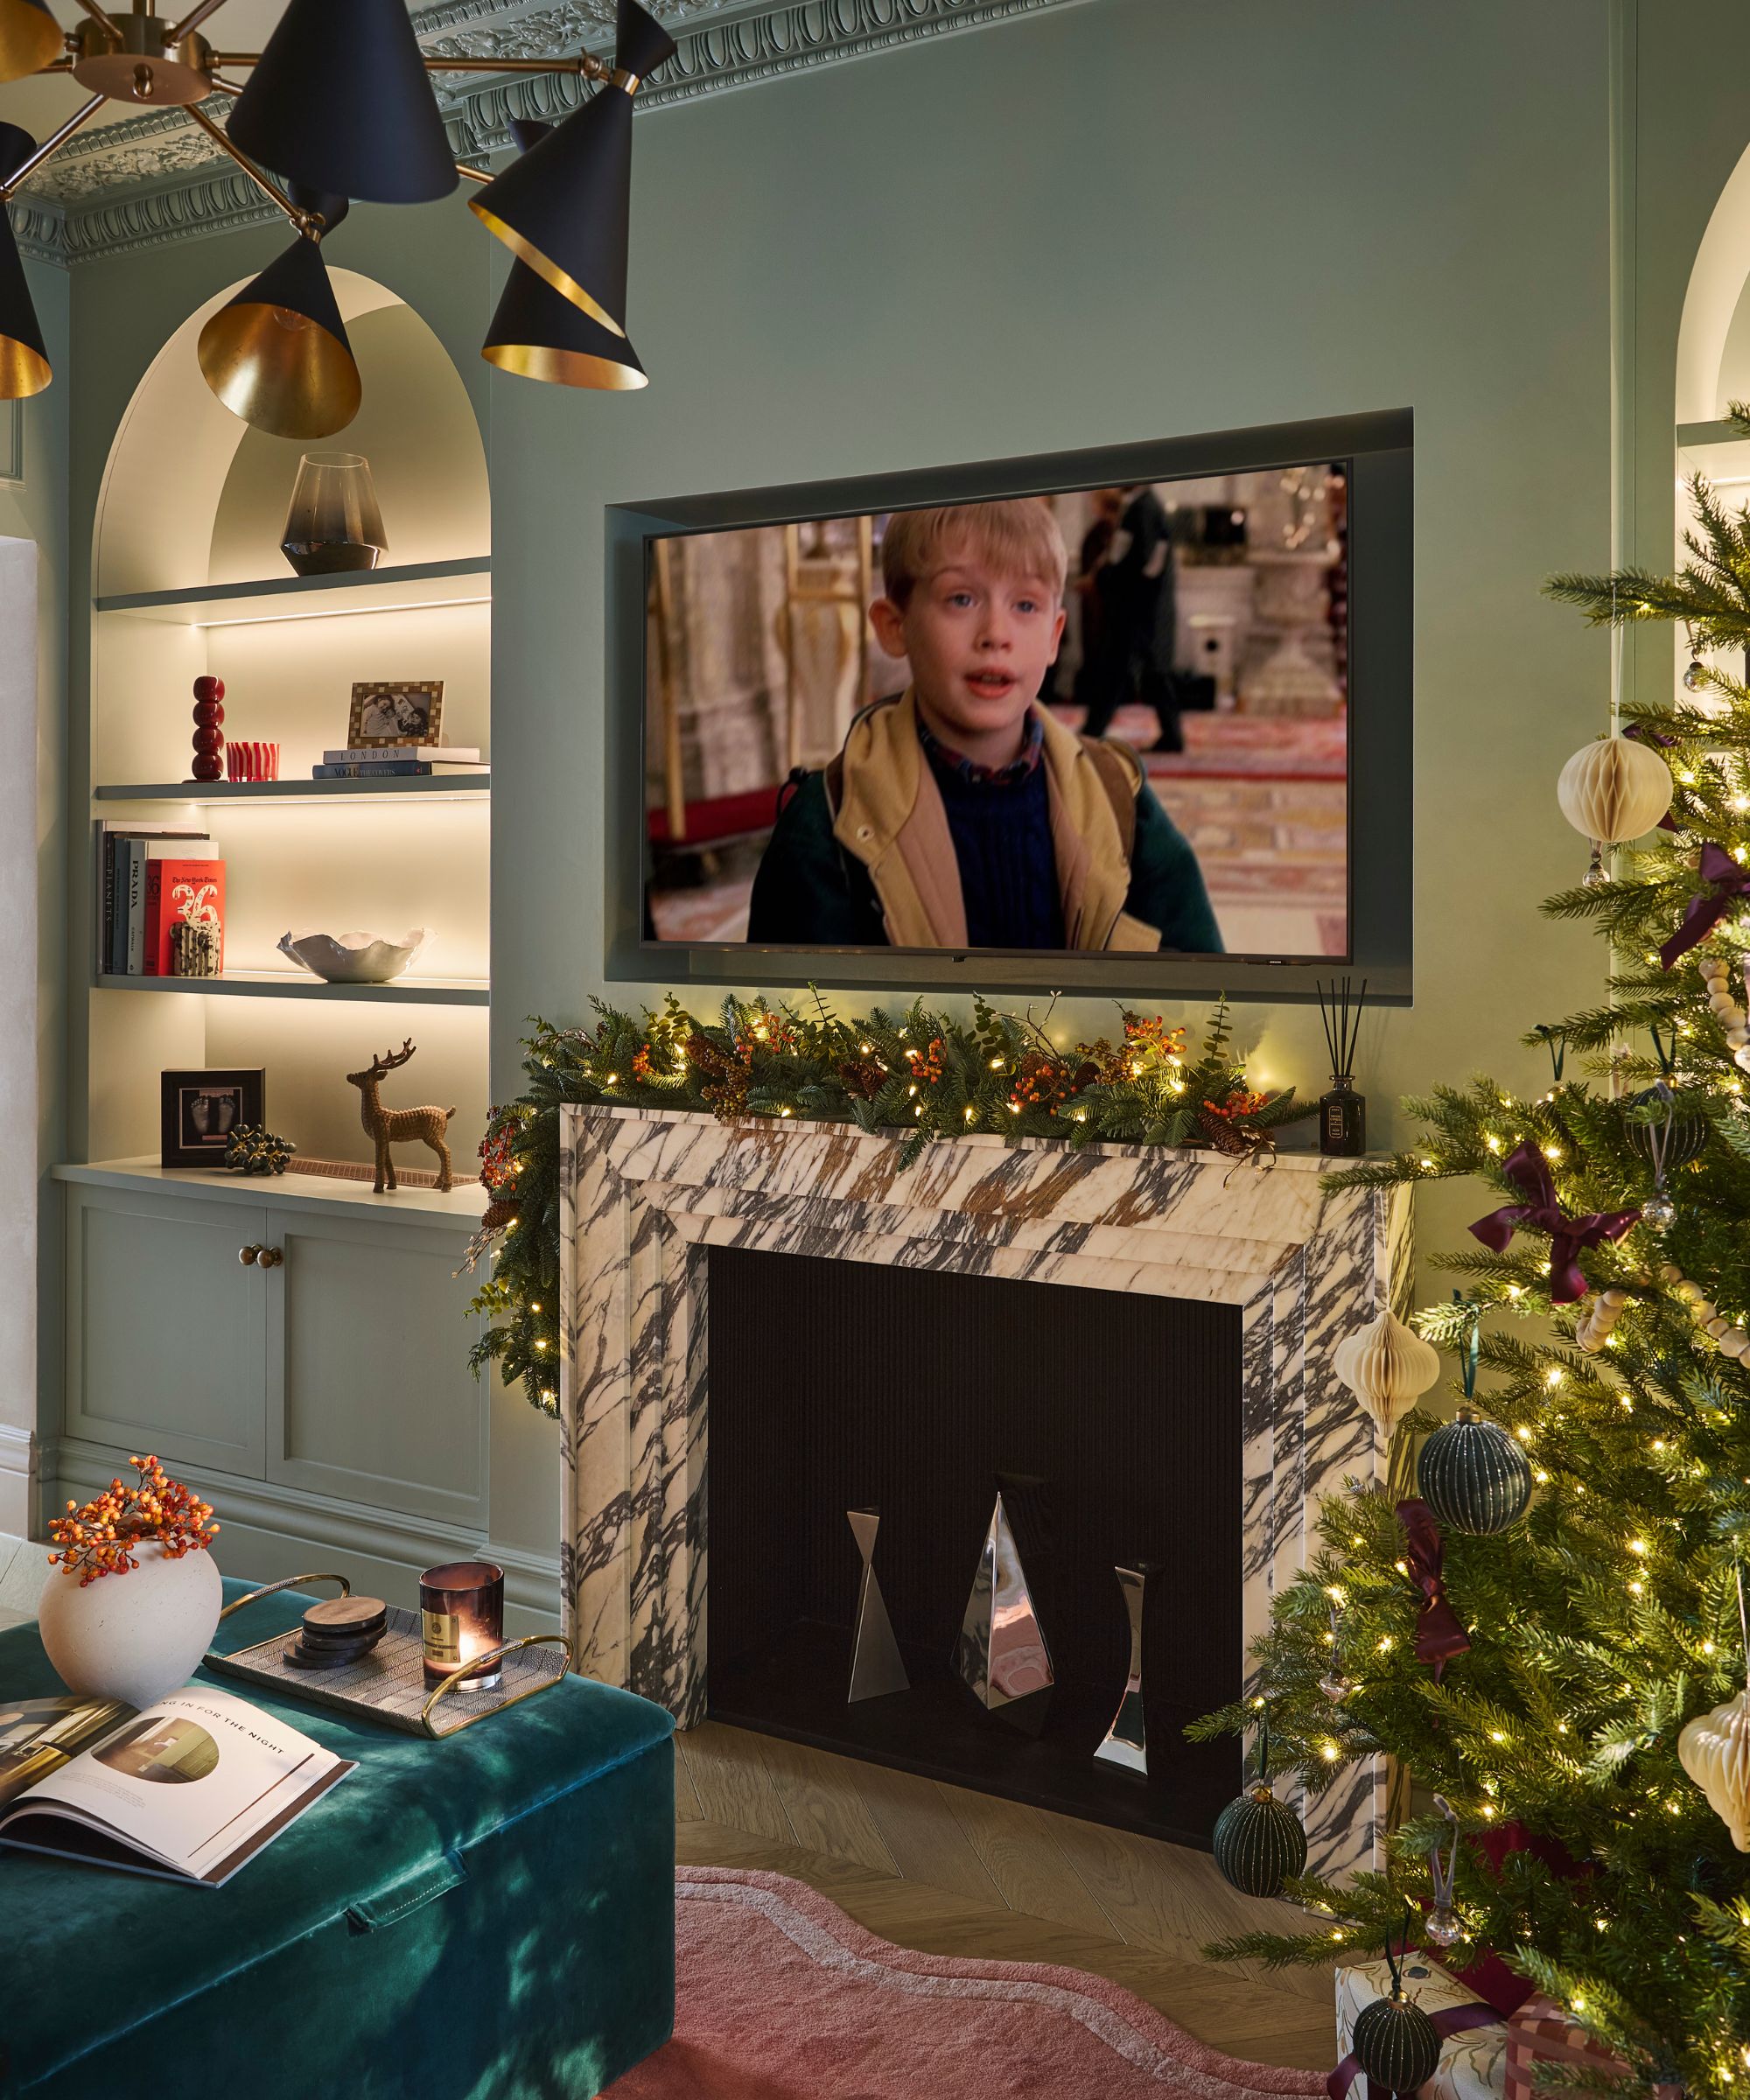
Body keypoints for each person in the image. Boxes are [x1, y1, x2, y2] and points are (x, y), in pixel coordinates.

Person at [746, 499, 1221, 953]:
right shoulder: (830, 822)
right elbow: (792, 1024)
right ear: (895, 626)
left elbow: (1206, 999)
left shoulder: (1119, 800)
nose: (996, 634)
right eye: (962, 598)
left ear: (1054, 637)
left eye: (1026, 606)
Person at [1078, 483, 1183, 752]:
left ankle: (1093, 730)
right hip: (1142, 609)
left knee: (1122, 670)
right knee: (1136, 672)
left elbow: (1141, 561)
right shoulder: (1143, 506)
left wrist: (1106, 578)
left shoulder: (1144, 508)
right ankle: (1170, 736)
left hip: (1138, 609)